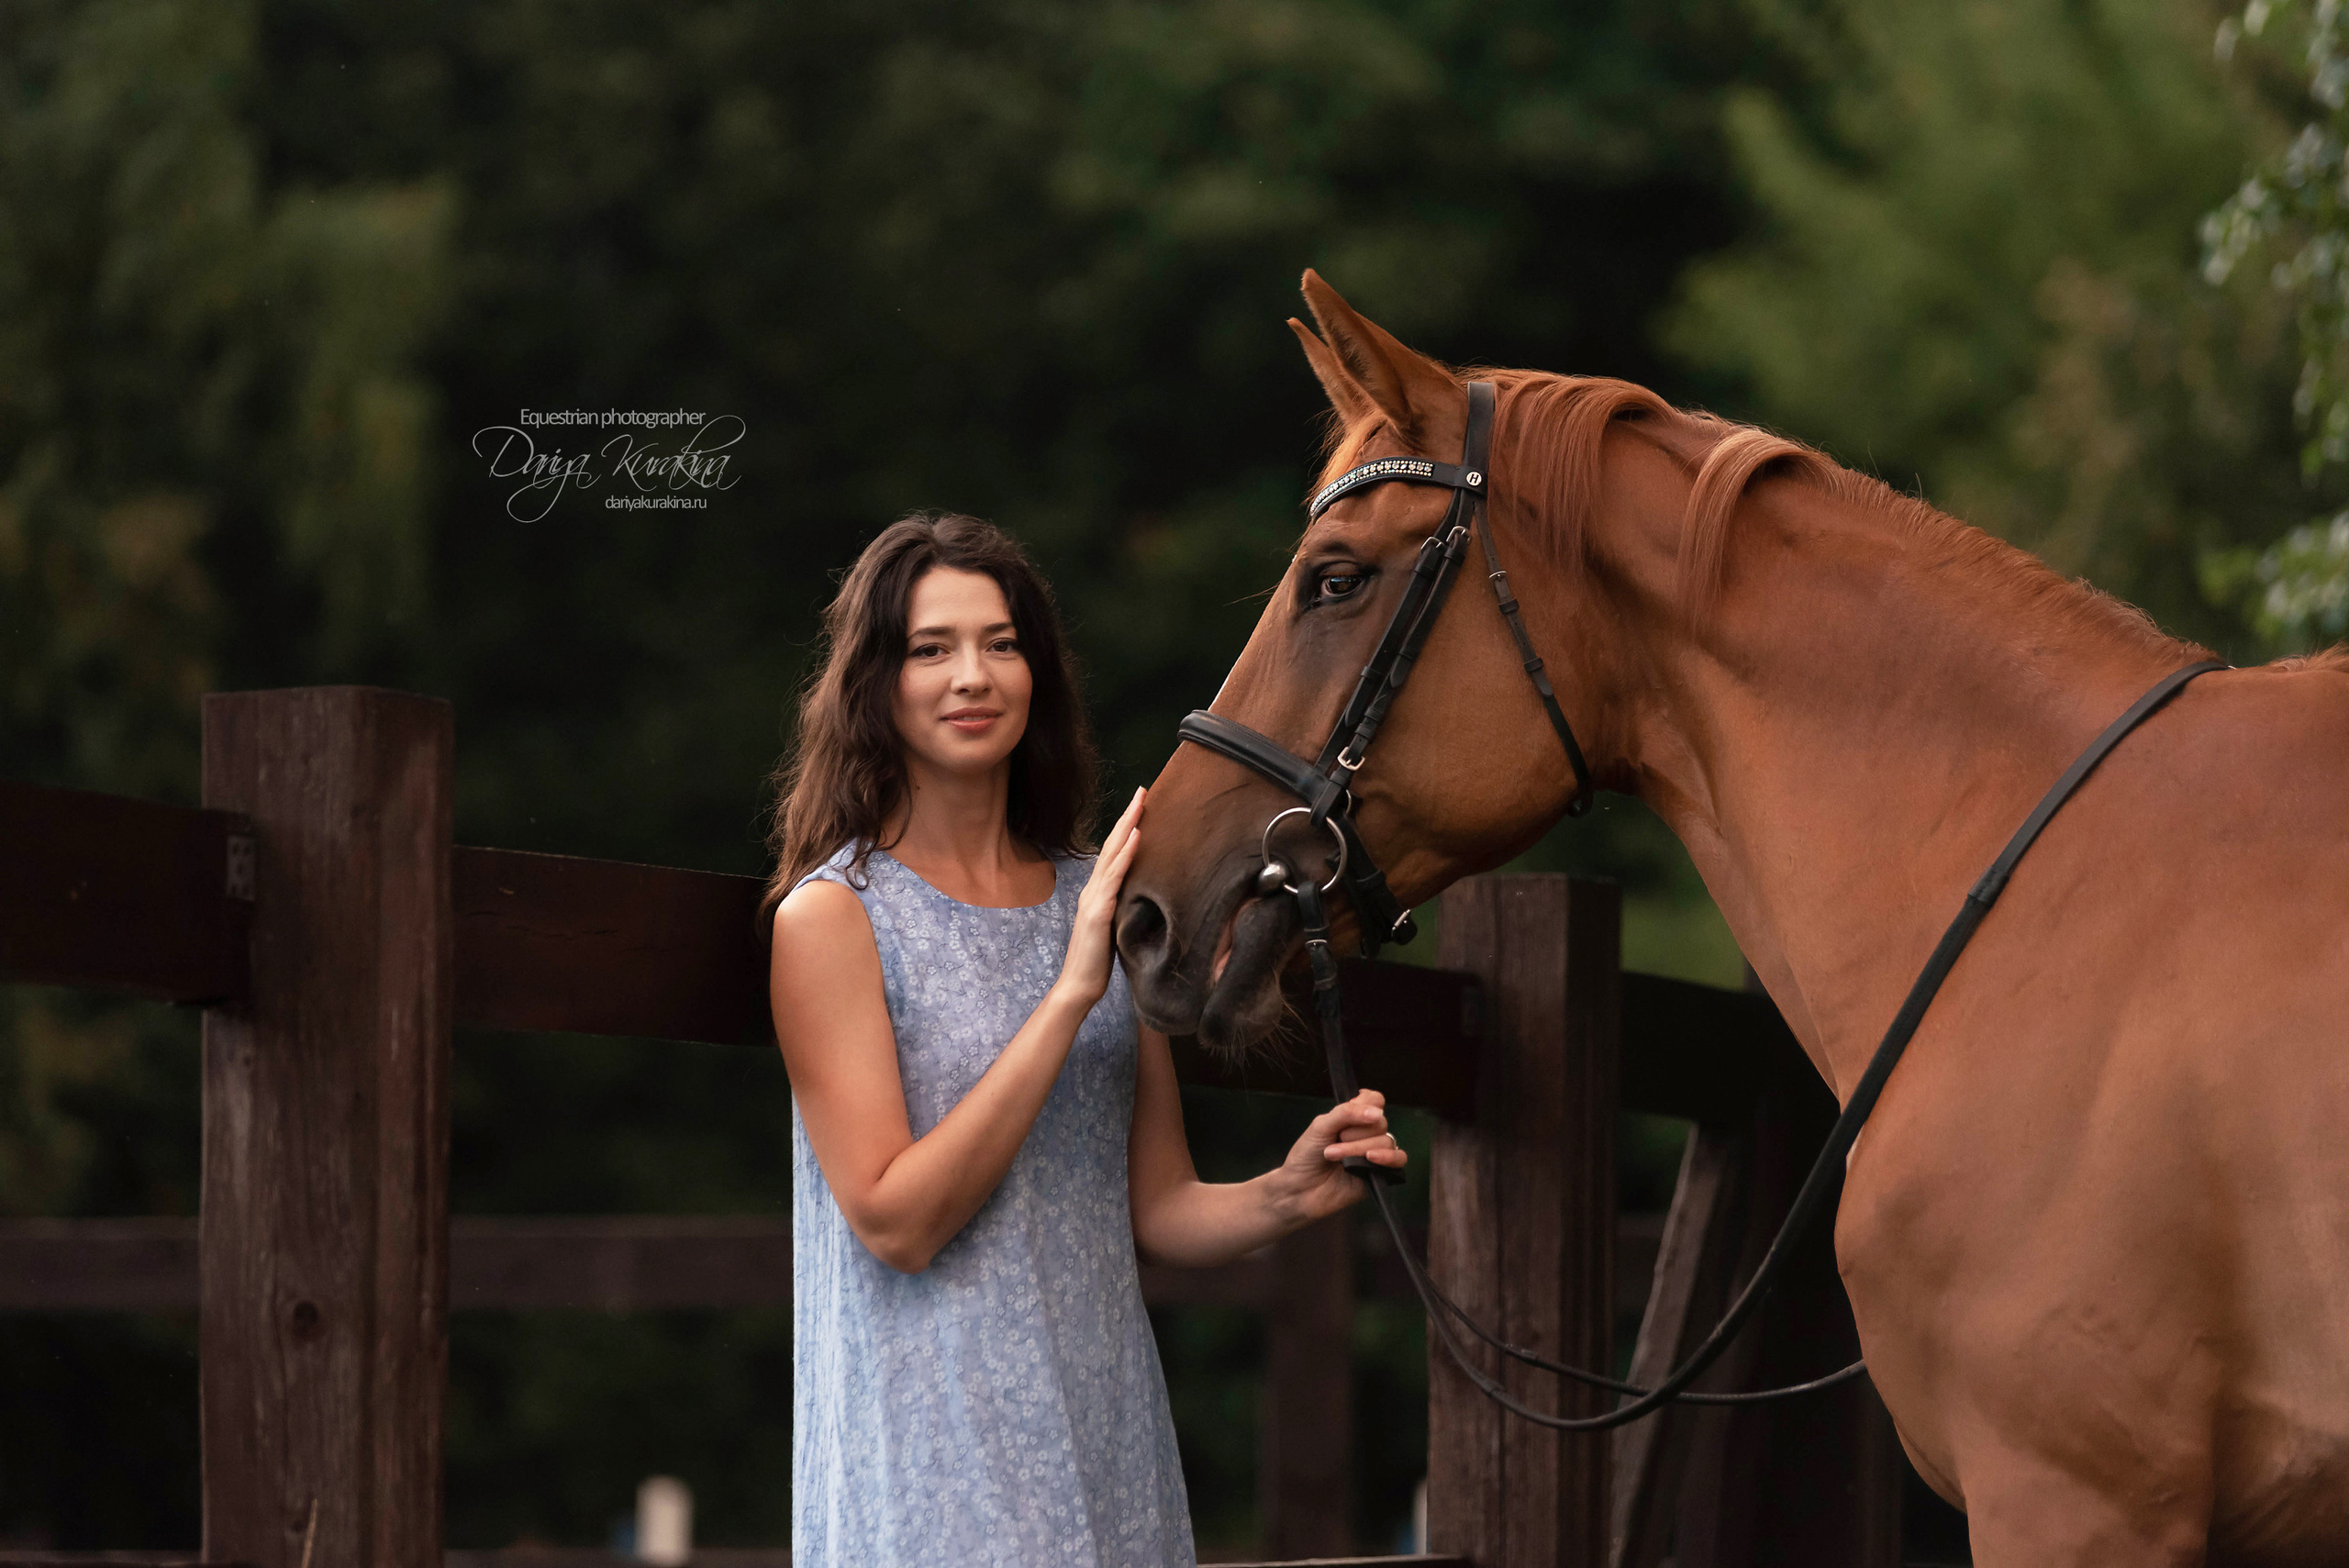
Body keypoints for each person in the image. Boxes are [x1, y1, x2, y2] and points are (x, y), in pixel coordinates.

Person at [762, 512, 1406, 1568]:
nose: (972, 674)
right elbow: (894, 1220)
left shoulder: (1093, 899)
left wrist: (1286, 1191)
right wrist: (1065, 997)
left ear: (1037, 673)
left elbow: (1155, 1208)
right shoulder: (834, 917)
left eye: (1000, 642)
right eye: (932, 648)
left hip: (1108, 1449)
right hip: (930, 1470)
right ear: (874, 682)